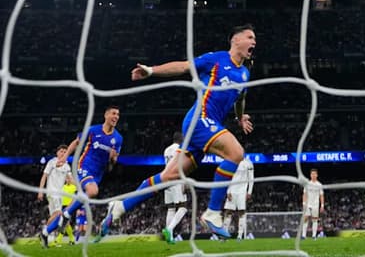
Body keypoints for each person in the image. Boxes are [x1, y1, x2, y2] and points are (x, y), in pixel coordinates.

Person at [96, 24, 256, 241]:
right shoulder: (216, 59)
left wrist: (240, 117)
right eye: (250, 37)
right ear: (235, 40)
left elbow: (240, 98)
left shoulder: (245, 73)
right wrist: (151, 71)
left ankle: (120, 207)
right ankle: (212, 213)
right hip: (199, 120)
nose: (254, 42)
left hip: (205, 128)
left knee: (169, 176)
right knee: (236, 153)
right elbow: (183, 66)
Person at [39, 105, 123, 248]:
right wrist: (65, 157)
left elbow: (112, 165)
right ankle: (66, 216)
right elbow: (76, 142)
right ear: (106, 115)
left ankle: (45, 232)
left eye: (118, 114)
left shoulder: (118, 138)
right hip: (84, 166)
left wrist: (113, 159)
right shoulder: (93, 130)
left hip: (97, 174)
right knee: (93, 191)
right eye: (113, 113)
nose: (116, 117)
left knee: (75, 204)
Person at [38, 144, 71, 244]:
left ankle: (45, 234)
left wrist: (79, 185)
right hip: (52, 192)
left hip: (59, 194)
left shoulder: (66, 166)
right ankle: (45, 233)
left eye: (65, 152)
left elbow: (71, 179)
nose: (63, 153)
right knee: (59, 213)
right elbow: (44, 176)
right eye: (61, 151)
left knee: (54, 216)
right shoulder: (52, 162)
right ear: (57, 153)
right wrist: (40, 191)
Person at [160, 131, 188, 244]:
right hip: (176, 179)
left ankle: (170, 237)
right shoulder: (181, 149)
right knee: (183, 207)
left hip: (167, 180)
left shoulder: (166, 150)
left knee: (171, 208)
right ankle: (169, 229)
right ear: (181, 139)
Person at [223, 151, 254, 240]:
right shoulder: (231, 162)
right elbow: (228, 177)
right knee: (228, 212)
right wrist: (228, 191)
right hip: (232, 190)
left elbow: (251, 178)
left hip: (242, 191)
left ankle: (240, 235)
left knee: (241, 212)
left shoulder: (248, 163)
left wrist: (249, 192)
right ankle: (224, 234)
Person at [301, 169, 325, 239]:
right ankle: (303, 235)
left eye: (314, 174)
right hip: (308, 204)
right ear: (310, 175)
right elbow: (304, 194)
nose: (313, 175)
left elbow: (321, 195)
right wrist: (304, 203)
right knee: (305, 219)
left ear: (317, 175)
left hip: (315, 204)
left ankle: (314, 235)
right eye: (312, 174)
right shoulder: (307, 184)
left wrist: (322, 205)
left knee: (315, 219)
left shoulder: (319, 185)